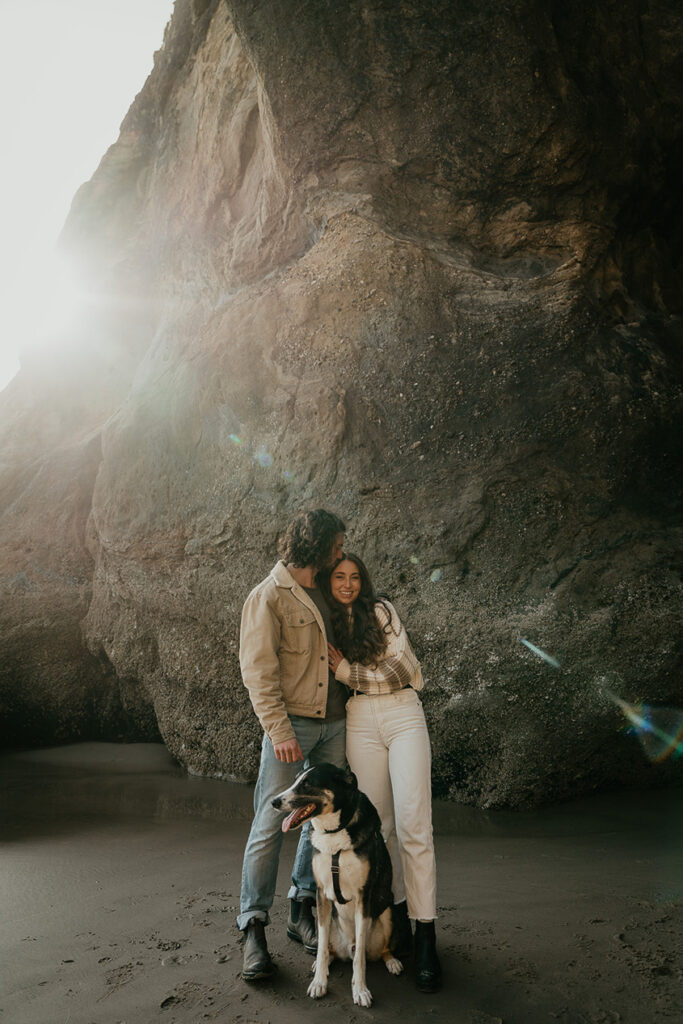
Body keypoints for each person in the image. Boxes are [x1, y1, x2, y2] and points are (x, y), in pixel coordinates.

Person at [319, 553, 441, 993]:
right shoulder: (328, 622)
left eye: (354, 577)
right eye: (339, 577)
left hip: (404, 714)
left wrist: (348, 671)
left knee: (415, 828)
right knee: (379, 829)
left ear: (363, 581)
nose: (348, 584)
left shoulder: (381, 611)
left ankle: (426, 935)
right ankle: (398, 921)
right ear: (327, 582)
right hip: (359, 722)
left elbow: (402, 668)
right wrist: (359, 678)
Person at [237, 508, 348, 981]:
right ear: (318, 545)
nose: (342, 553)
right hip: (293, 727)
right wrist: (279, 730)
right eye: (337, 545)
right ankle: (252, 927)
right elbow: (257, 671)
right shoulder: (267, 597)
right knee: (271, 818)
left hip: (336, 724)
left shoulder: (323, 591)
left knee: (315, 819)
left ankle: (300, 908)